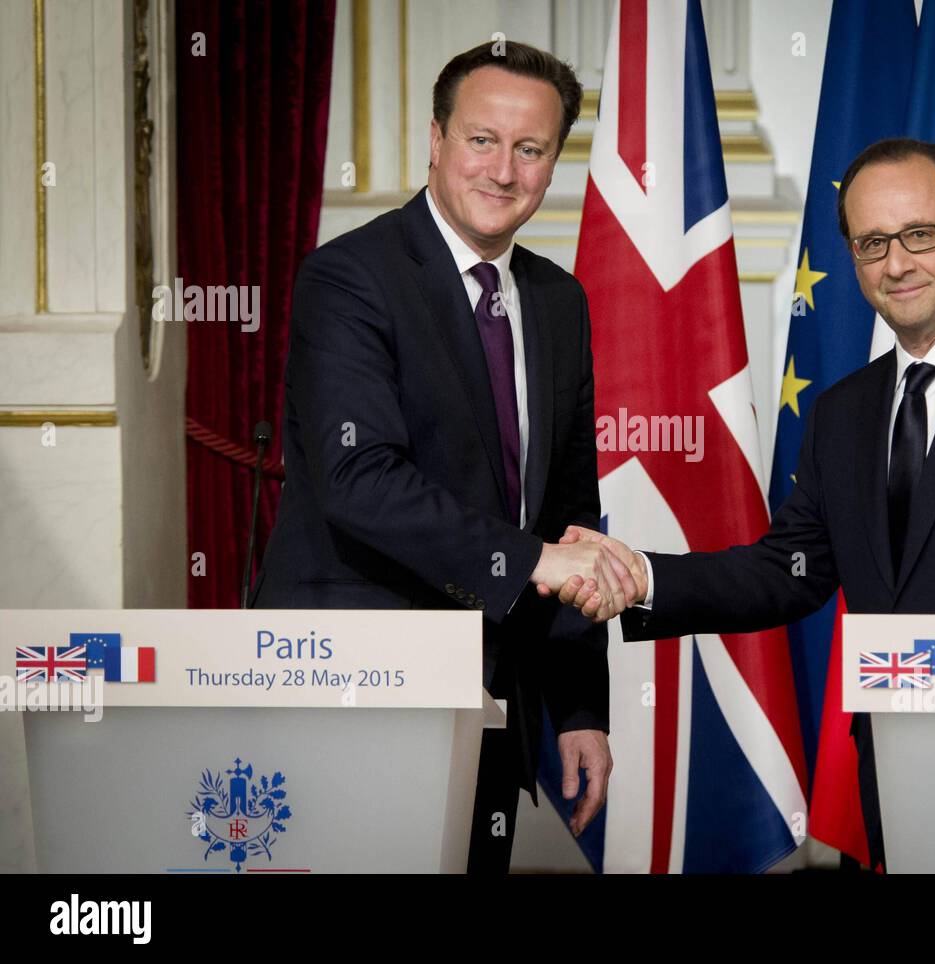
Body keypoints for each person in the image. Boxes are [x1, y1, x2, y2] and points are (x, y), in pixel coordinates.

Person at [558, 137, 935, 871]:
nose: (897, 263)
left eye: (921, 234)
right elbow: (788, 571)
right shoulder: (843, 413)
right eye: (872, 243)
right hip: (896, 777)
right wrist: (644, 576)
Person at [252, 41, 635, 873]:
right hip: (356, 683)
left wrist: (579, 707)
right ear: (435, 139)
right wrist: (534, 559)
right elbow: (360, 482)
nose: (503, 170)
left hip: (497, 696)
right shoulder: (349, 277)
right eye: (481, 140)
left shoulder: (559, 301)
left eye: (530, 149)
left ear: (553, 161)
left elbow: (571, 510)